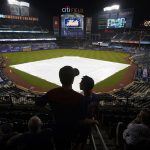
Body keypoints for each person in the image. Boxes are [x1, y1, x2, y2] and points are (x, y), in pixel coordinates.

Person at [35, 66, 93, 150]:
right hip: (72, 133)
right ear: (73, 80)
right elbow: (82, 120)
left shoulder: (52, 93)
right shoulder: (80, 98)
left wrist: (51, 112)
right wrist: (93, 121)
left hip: (57, 131)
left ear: (60, 79)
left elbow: (37, 105)